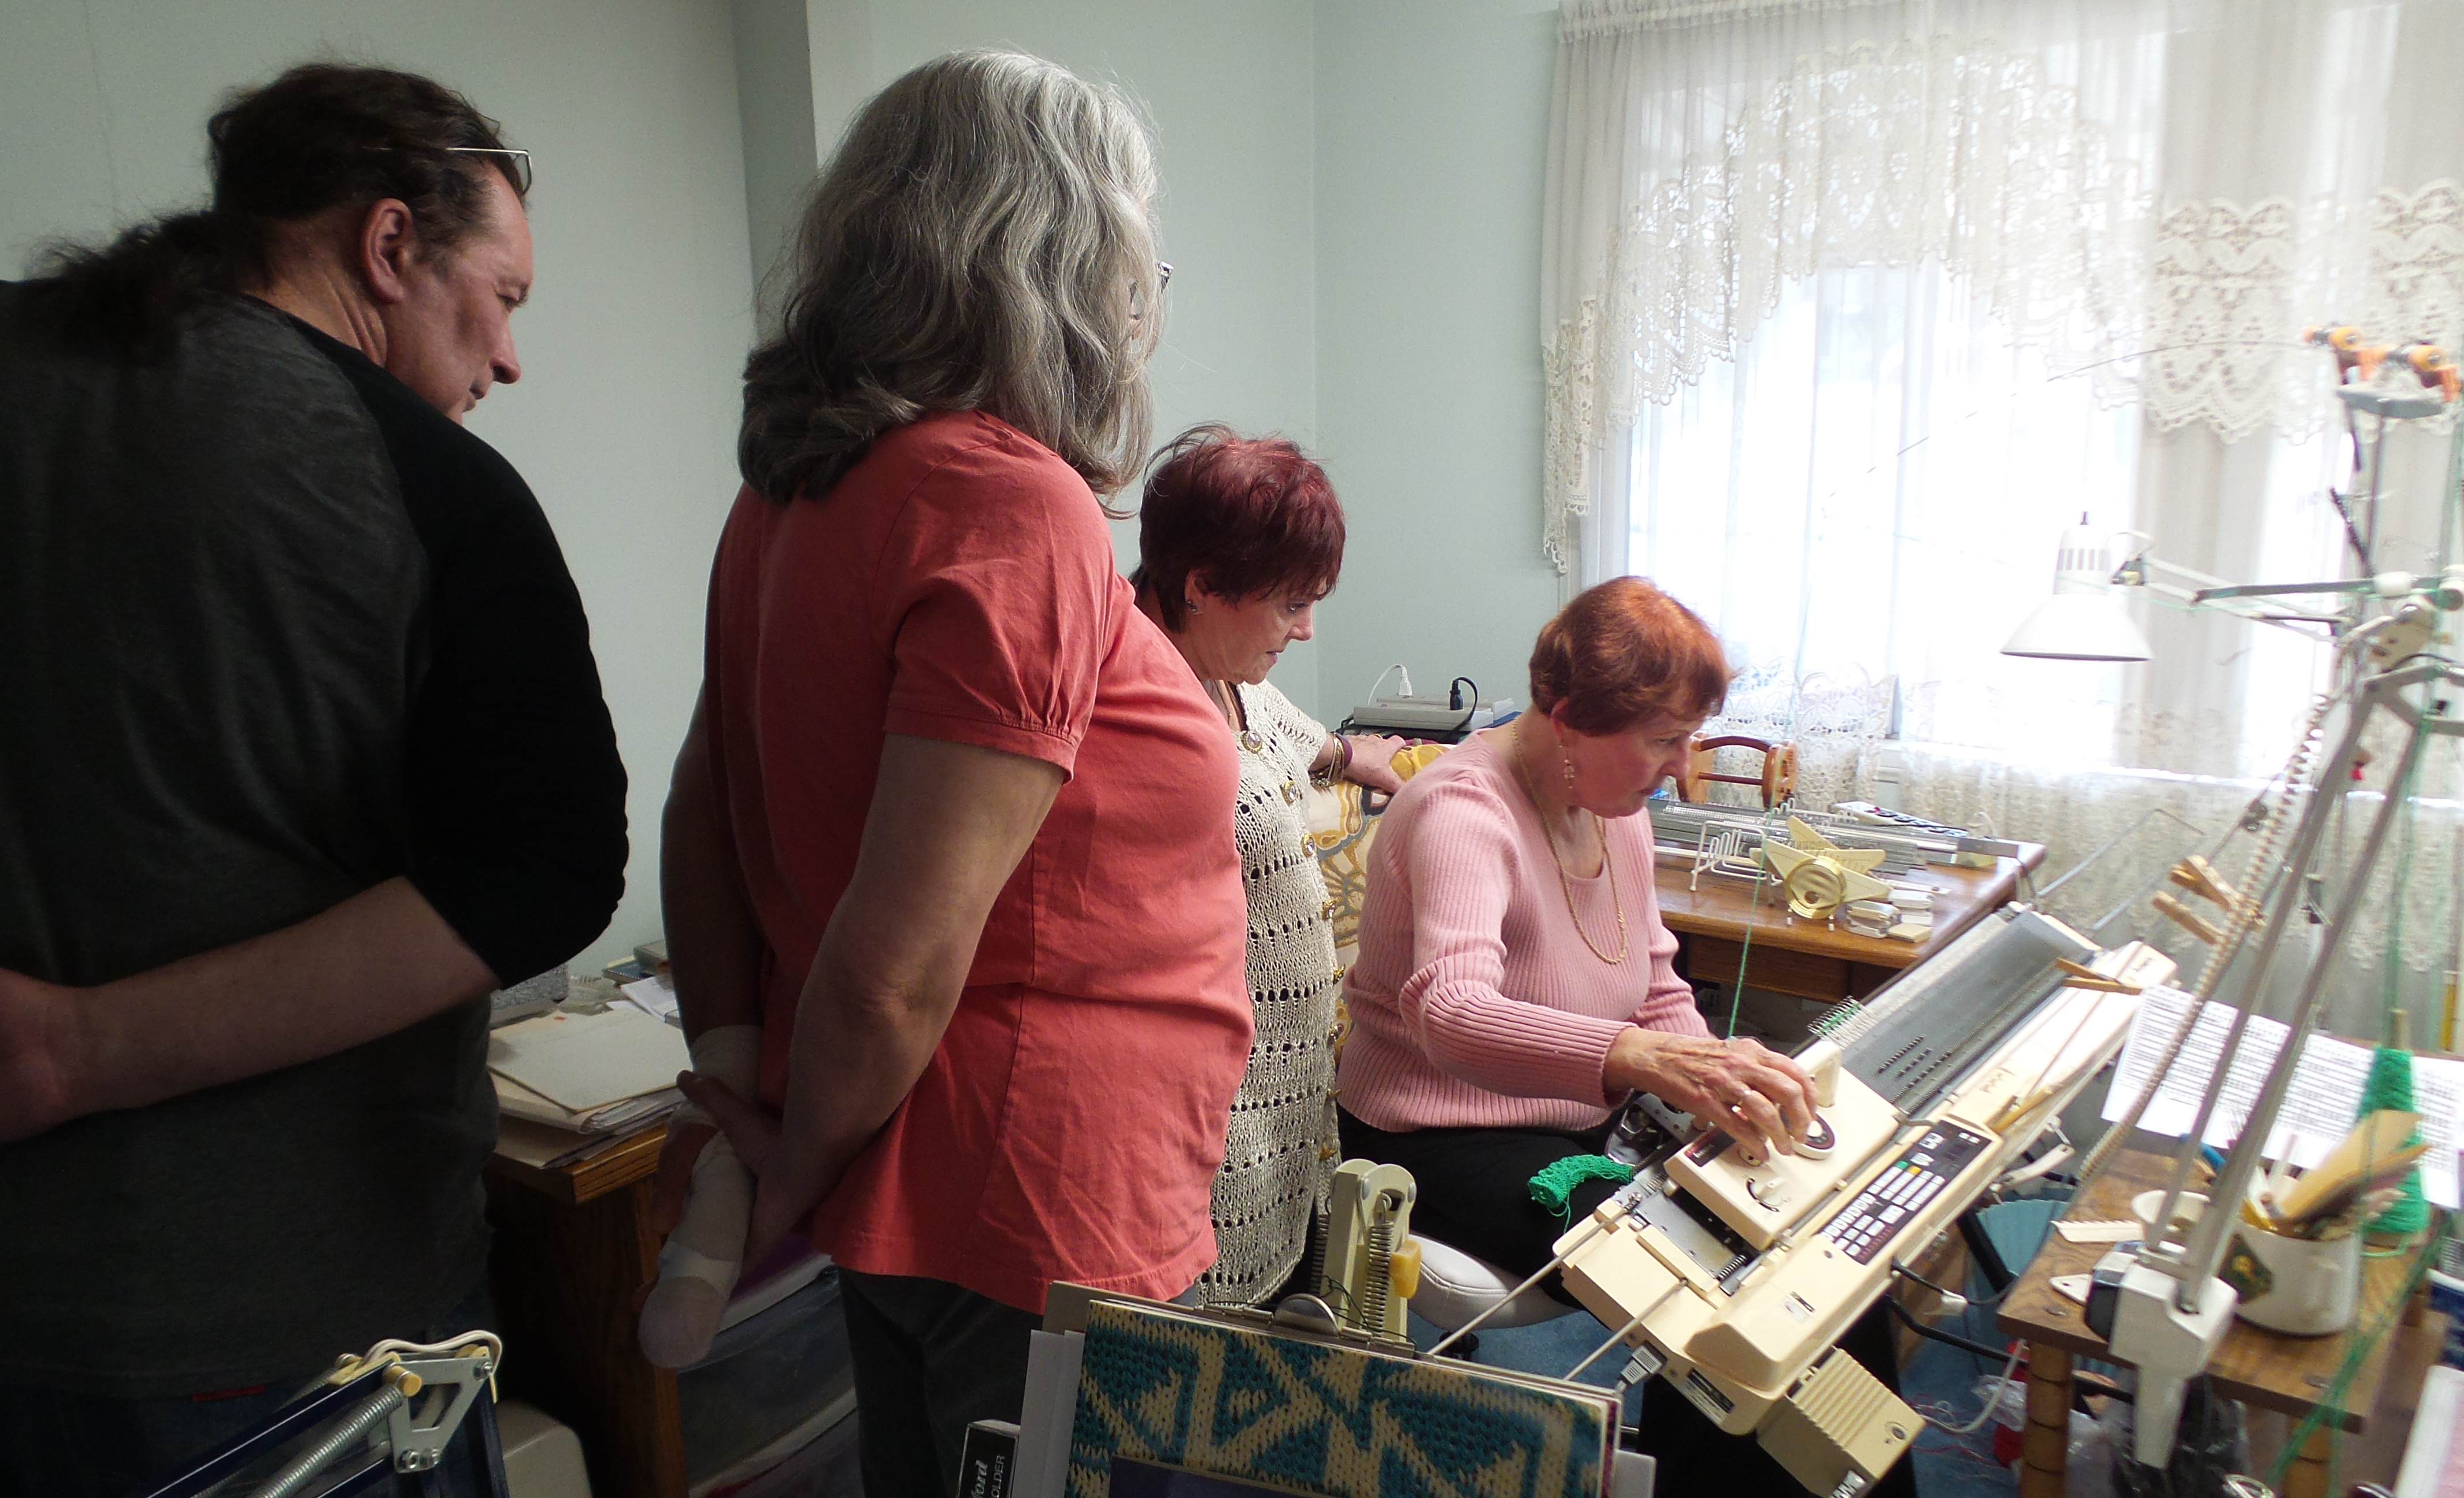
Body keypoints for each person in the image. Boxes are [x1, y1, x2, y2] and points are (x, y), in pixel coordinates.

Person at [0, 64, 627, 1497]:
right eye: (501, 298)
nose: (507, 361)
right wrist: (84, 1047)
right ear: (387, 244)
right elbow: (546, 874)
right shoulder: (426, 483)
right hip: (263, 1342)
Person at [659, 51, 1250, 1498]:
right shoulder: (1008, 502)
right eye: (1139, 257)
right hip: (1037, 1200)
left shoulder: (791, 493)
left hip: (926, 1173)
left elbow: (703, 811)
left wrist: (744, 1079)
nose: (1143, 298)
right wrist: (792, 1164)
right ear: (1064, 260)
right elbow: (893, 971)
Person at [1335, 576, 1910, 1498]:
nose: (1682, 768)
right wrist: (1638, 1059)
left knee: (1814, 1248)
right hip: (1439, 1137)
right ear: (1570, 722)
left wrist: (1711, 1077)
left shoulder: (1618, 816)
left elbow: (1654, 986)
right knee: (1712, 1285)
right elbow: (1449, 1012)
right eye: (1664, 740)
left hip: (1572, 1119)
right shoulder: (1462, 813)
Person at [1127, 424, 1406, 1306]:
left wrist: (1358, 756)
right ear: (1203, 584)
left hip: (1291, 1104)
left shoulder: (1232, 678)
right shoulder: (1137, 700)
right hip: (1214, 1119)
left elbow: (1295, 737)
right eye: (1291, 605)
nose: (1308, 629)